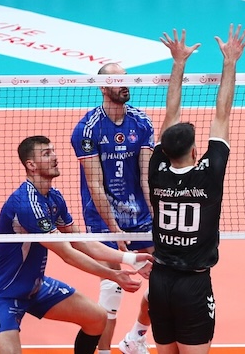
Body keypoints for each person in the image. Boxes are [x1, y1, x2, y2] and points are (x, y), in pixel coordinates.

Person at [0, 136, 153, 354]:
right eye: (46, 154)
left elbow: (81, 242)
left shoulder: (54, 198)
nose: (55, 157)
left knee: (97, 318)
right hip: (3, 293)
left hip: (35, 287)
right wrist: (113, 275)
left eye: (53, 151)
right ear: (31, 165)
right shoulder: (26, 204)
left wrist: (129, 258)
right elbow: (68, 254)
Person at [147, 25, 245, 354]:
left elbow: (171, 113)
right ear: (195, 151)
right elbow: (223, 113)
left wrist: (178, 63)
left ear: (165, 150)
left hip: (160, 281)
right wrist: (230, 62)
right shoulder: (209, 173)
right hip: (193, 284)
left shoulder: (156, 170)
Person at [71, 63, 155, 354]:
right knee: (112, 287)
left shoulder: (142, 122)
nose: (125, 84)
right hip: (102, 217)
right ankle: (104, 351)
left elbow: (146, 178)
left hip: (139, 215)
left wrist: (156, 218)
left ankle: (135, 338)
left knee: (164, 281)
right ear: (103, 87)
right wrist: (115, 230)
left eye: (125, 79)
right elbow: (95, 184)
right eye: (117, 80)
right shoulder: (87, 129)